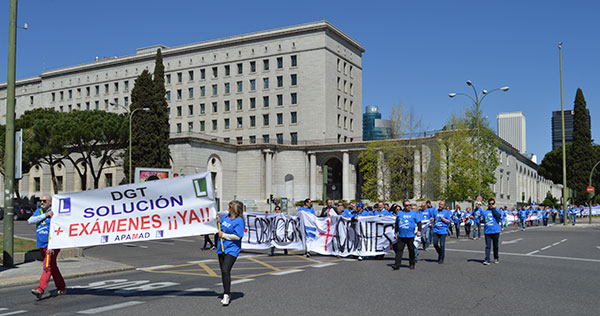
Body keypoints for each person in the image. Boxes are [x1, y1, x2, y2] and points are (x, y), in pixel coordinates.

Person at [28, 194, 66, 299]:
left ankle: (40, 289)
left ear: (50, 202)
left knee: (47, 266)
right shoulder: (39, 211)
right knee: (53, 267)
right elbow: (30, 221)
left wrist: (52, 245)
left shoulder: (56, 213)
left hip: (51, 246)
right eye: (41, 201)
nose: (42, 203)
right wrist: (45, 215)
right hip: (42, 245)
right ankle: (61, 287)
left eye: (44, 201)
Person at [216, 200, 245, 306]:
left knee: (225, 269)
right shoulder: (225, 217)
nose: (228, 208)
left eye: (230, 206)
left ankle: (226, 295)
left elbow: (238, 236)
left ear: (235, 209)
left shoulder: (239, 221)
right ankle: (226, 291)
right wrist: (217, 221)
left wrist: (224, 235)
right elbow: (220, 228)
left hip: (232, 249)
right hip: (221, 248)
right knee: (224, 272)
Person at [392, 200, 422, 270]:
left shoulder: (414, 213)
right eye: (407, 205)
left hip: (410, 236)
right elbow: (397, 224)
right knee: (399, 250)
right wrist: (396, 232)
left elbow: (419, 223)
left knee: (411, 250)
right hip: (401, 236)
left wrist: (419, 231)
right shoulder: (400, 213)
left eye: (409, 205)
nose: (409, 206)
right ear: (404, 206)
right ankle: (397, 265)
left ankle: (412, 263)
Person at [481, 199, 502, 265]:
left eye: (492, 203)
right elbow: (483, 221)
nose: (491, 205)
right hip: (487, 232)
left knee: (495, 246)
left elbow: (498, 216)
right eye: (490, 203)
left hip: (495, 231)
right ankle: (487, 259)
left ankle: (496, 258)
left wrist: (493, 209)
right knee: (488, 246)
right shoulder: (485, 212)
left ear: (494, 204)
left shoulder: (497, 210)